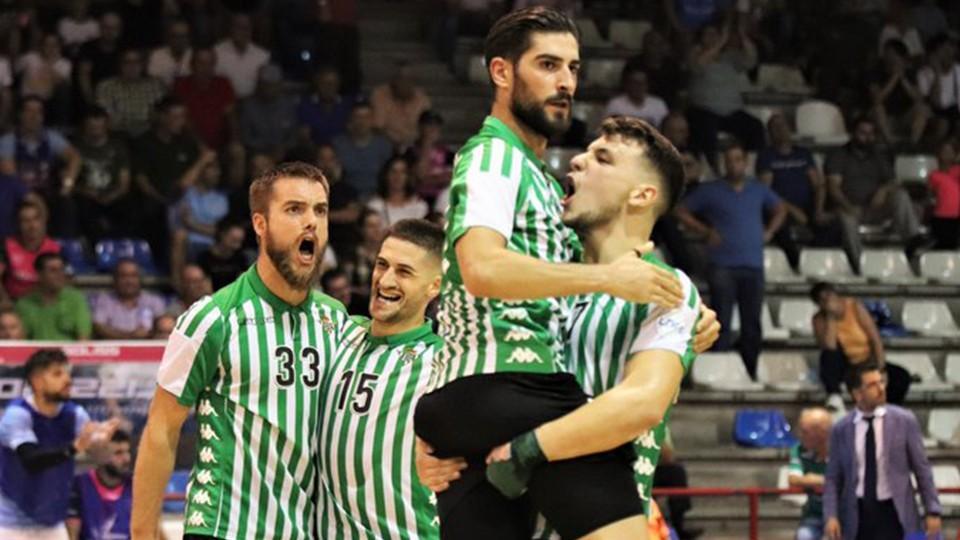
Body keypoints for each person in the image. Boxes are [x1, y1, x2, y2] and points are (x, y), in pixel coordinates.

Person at [411, 8, 692, 539]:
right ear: (501, 72)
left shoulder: (542, 184)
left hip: (472, 402)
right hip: (514, 388)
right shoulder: (494, 156)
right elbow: (480, 268)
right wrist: (611, 281)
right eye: (547, 64)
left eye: (573, 68)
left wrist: (430, 426)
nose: (565, 82)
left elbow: (457, 295)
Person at [131, 162, 354, 539]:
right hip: (225, 528)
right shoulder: (212, 318)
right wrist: (142, 531)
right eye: (294, 209)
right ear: (260, 224)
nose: (311, 221)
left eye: (320, 210)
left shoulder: (336, 319)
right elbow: (161, 430)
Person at [317, 219, 445, 538]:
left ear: (435, 286)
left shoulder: (445, 364)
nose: (385, 280)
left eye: (404, 272)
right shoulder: (339, 334)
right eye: (382, 265)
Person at [676, 142, 787, 379]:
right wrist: (705, 231)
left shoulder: (758, 189)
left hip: (753, 265)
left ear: (746, 161)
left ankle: (749, 371)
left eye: (737, 159)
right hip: (722, 265)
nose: (732, 164)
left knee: (752, 325)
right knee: (721, 321)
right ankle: (722, 371)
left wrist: (769, 232)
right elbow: (680, 210)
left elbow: (780, 208)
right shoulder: (711, 190)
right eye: (728, 160)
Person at [0, 348, 117, 540]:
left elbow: (95, 452)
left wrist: (102, 442)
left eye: (67, 373)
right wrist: (73, 448)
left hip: (52, 524)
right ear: (37, 382)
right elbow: (32, 460)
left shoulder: (74, 414)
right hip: (10, 525)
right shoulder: (18, 414)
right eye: (57, 374)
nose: (67, 380)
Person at [823, 362, 942, 540]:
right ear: (857, 394)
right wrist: (831, 516)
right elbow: (833, 478)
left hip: (893, 512)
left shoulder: (904, 421)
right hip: (858, 513)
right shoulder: (842, 429)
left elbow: (922, 468)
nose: (880, 388)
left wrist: (932, 510)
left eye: (881, 382)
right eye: (872, 385)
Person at [825, 116, 926, 269]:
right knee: (845, 217)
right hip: (850, 207)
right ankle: (858, 263)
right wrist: (849, 207)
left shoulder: (879, 156)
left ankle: (912, 240)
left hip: (876, 208)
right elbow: (833, 187)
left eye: (870, 134)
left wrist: (883, 190)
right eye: (863, 133)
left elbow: (893, 182)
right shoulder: (839, 155)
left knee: (901, 195)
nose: (867, 137)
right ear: (853, 133)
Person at [810, 282, 910, 408]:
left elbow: (875, 339)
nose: (828, 301)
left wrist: (881, 368)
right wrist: (831, 318)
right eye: (823, 300)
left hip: (867, 360)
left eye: (829, 296)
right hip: (846, 365)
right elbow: (829, 346)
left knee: (901, 377)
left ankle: (889, 410)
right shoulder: (819, 319)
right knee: (828, 356)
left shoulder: (854, 307)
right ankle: (834, 396)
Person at [686, 20, 765, 166]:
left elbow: (752, 59)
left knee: (756, 126)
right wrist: (721, 42)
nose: (713, 37)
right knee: (704, 129)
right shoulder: (695, 53)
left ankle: (752, 168)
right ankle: (712, 170)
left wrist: (743, 36)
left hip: (732, 112)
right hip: (704, 111)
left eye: (715, 34)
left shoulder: (730, 57)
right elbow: (698, 65)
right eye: (708, 34)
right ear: (701, 37)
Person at [757, 113, 830, 270]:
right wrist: (790, 208)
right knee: (779, 226)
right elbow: (766, 191)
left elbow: (818, 185)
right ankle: (795, 263)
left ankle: (814, 262)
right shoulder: (766, 157)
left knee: (830, 226)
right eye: (775, 127)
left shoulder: (803, 153)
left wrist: (818, 210)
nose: (780, 130)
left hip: (807, 205)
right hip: (780, 207)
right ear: (769, 133)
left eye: (783, 126)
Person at [0, 96, 82, 196]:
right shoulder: (7, 141)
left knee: (67, 203)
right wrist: (34, 201)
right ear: (20, 114)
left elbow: (74, 157)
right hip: (19, 196)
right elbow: (10, 178)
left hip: (47, 193)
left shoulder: (52, 137)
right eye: (29, 110)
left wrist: (68, 183)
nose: (34, 116)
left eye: (39, 111)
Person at [73, 107, 131, 243]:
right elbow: (70, 182)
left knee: (128, 207)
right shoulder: (75, 148)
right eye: (92, 127)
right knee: (81, 207)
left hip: (114, 194)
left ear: (107, 126)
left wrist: (112, 195)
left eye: (99, 126)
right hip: (87, 196)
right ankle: (92, 248)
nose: (96, 131)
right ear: (85, 126)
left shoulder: (118, 147)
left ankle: (122, 247)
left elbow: (125, 183)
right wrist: (85, 191)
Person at [66, 430, 134, 540]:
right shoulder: (78, 485)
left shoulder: (136, 486)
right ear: (100, 457)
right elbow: (72, 535)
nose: (126, 458)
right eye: (118, 453)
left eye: (128, 452)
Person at [15, 253, 91, 341]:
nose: (60, 275)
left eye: (62, 270)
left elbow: (84, 338)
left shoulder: (76, 299)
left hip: (69, 354)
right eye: (53, 271)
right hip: (37, 354)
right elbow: (20, 341)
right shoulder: (23, 305)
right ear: (39, 274)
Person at [173, 48, 237, 150]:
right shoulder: (181, 86)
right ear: (192, 65)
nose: (206, 68)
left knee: (237, 151)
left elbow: (231, 116)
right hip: (191, 143)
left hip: (222, 144)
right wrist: (201, 146)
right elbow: (184, 121)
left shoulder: (223, 83)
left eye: (210, 63)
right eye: (201, 63)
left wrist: (235, 141)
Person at [869, 39, 930, 146]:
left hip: (904, 116)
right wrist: (894, 78)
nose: (891, 58)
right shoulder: (876, 72)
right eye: (888, 54)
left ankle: (913, 144)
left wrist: (903, 79)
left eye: (894, 55)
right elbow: (877, 99)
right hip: (885, 117)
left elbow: (918, 98)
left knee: (922, 108)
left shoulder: (909, 74)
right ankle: (891, 142)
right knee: (878, 108)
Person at [94, 50, 166, 138]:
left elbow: (160, 114)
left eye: (137, 62)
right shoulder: (106, 86)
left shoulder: (154, 85)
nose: (132, 66)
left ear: (143, 65)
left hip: (150, 135)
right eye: (127, 62)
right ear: (120, 65)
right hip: (118, 135)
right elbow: (106, 117)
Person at [90, 259, 166, 340]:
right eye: (123, 276)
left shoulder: (154, 301)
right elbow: (99, 327)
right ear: (115, 279)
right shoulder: (104, 301)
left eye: (133, 276)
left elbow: (163, 327)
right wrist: (130, 337)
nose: (129, 281)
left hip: (148, 349)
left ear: (140, 278)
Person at [1, 199, 61, 301]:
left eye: (35, 219)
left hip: (44, 305)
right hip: (13, 304)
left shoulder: (55, 248)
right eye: (25, 221)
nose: (32, 226)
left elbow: (63, 282)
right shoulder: (6, 246)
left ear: (43, 222)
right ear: (18, 225)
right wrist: (6, 304)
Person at [332, 102, 394, 198]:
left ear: (373, 120)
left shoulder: (384, 146)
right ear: (351, 119)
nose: (362, 121)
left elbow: (390, 177)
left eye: (366, 117)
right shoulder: (339, 145)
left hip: (378, 197)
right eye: (358, 117)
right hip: (346, 198)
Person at [789, 407, 832, 540]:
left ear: (822, 433)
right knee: (803, 536)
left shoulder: (844, 450)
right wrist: (825, 481)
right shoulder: (799, 449)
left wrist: (817, 479)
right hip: (812, 516)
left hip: (841, 517)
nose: (800, 435)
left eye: (805, 432)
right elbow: (793, 480)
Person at [239, 64, 297, 157]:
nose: (269, 88)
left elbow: (293, 136)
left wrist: (284, 147)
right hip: (257, 153)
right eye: (266, 84)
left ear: (279, 84)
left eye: (273, 84)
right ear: (259, 84)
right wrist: (267, 149)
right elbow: (246, 138)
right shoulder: (249, 106)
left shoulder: (288, 105)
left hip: (285, 154)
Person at [371, 62, 433, 148]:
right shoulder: (380, 94)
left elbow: (427, 128)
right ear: (393, 80)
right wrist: (396, 145)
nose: (404, 83)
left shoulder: (422, 99)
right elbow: (377, 128)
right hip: (386, 144)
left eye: (408, 79)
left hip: (414, 146)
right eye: (400, 78)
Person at [213, 14, 271, 100]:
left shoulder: (263, 56)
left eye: (246, 28)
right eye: (238, 27)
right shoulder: (216, 52)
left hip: (253, 105)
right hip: (223, 102)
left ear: (251, 30)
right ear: (231, 28)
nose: (242, 32)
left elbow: (266, 87)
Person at [75, 13, 124, 108]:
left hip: (119, 96)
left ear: (119, 30)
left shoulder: (124, 48)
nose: (110, 31)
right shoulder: (87, 48)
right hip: (94, 96)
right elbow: (83, 76)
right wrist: (92, 101)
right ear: (100, 28)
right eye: (106, 27)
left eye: (114, 28)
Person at [297, 66, 354, 145]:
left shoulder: (347, 105)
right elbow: (303, 134)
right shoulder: (306, 105)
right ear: (318, 84)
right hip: (315, 152)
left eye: (333, 84)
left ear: (338, 85)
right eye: (325, 83)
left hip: (342, 151)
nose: (329, 88)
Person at [367, 156, 429, 227]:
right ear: (386, 175)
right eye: (393, 171)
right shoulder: (375, 206)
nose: (398, 176)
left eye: (403, 172)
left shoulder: (420, 206)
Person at [917, 35, 960, 137]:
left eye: (950, 50)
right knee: (943, 123)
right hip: (935, 114)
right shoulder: (924, 73)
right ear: (933, 54)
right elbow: (937, 103)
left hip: (955, 113)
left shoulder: (958, 70)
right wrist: (937, 73)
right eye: (944, 51)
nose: (949, 54)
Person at [603, 66, 669, 128]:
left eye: (642, 83)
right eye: (634, 83)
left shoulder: (658, 104)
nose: (638, 86)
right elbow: (606, 130)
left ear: (648, 85)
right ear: (627, 84)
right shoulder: (615, 104)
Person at [927, 138, 960, 249]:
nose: (947, 155)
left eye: (950, 152)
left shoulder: (958, 171)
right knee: (942, 246)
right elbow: (930, 194)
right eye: (944, 151)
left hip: (957, 217)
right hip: (940, 216)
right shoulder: (934, 175)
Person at [197, 219, 248, 291]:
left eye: (240, 242)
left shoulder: (240, 258)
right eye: (234, 240)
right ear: (222, 235)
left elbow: (243, 285)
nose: (237, 246)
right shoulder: (204, 258)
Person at [147, 20, 193, 87]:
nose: (180, 40)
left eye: (183, 36)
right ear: (169, 37)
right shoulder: (157, 56)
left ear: (188, 38)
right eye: (176, 36)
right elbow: (152, 83)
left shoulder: (195, 55)